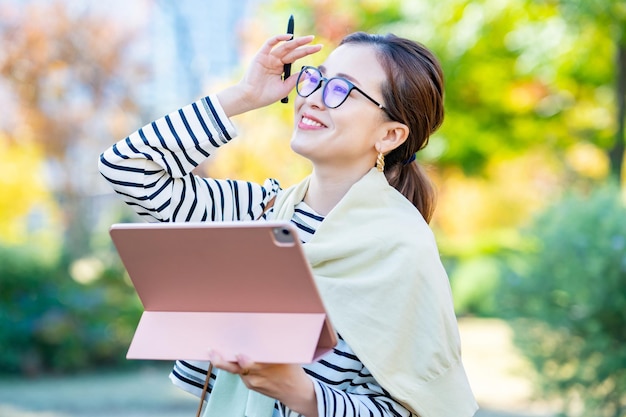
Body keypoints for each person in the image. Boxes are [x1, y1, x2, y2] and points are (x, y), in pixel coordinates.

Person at [99, 30, 478, 417]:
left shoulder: (402, 249)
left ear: (390, 135)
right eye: (316, 78)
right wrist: (244, 95)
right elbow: (126, 169)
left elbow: (419, 410)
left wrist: (305, 395)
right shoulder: (257, 214)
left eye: (342, 90)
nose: (312, 96)